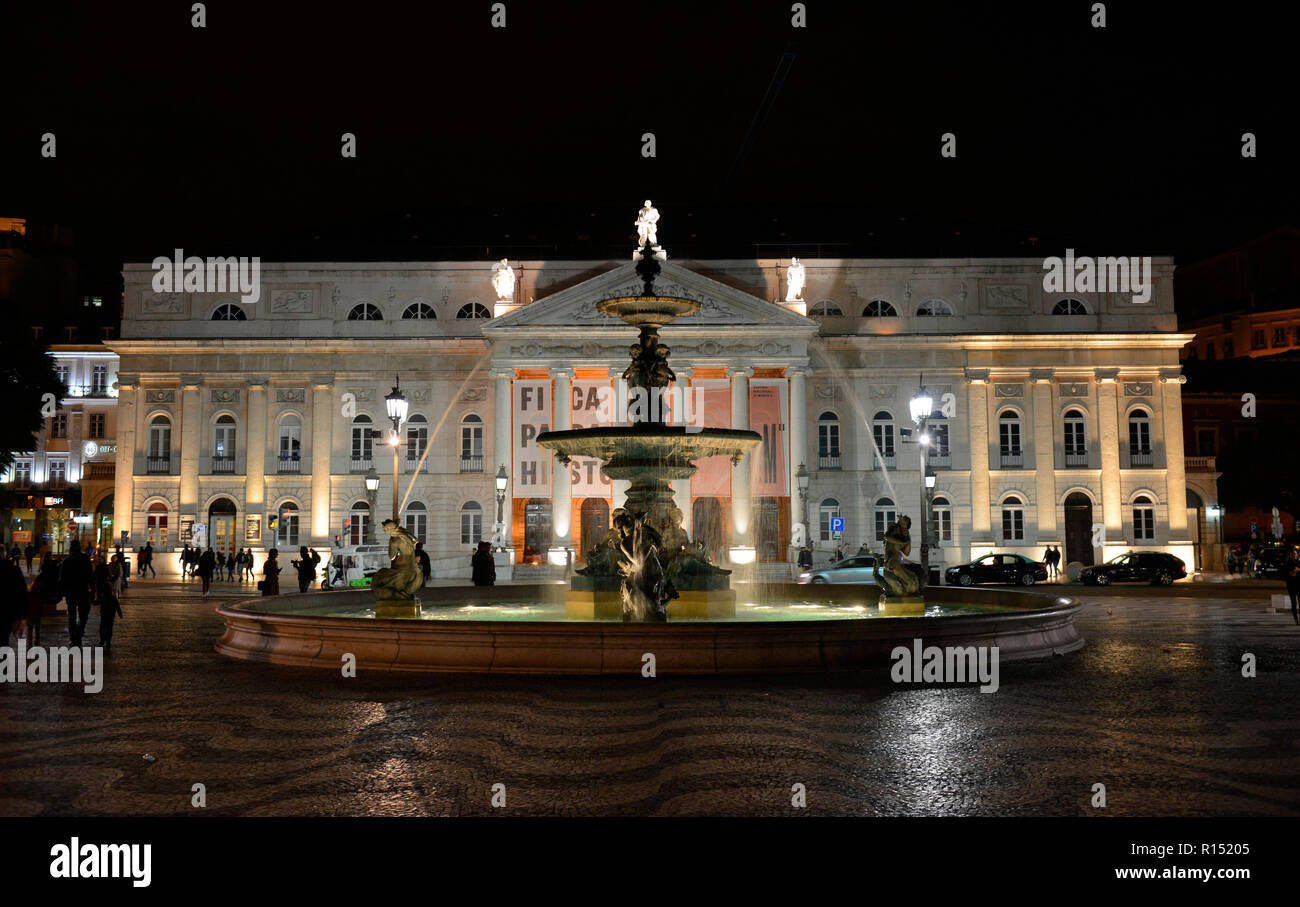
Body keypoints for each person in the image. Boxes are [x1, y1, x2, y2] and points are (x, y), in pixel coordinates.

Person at [59, 539, 95, 645]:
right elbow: (91, 576)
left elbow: (62, 579)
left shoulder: (66, 561)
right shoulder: (85, 559)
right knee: (83, 614)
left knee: (72, 615)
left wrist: (60, 593)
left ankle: (73, 635)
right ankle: (79, 633)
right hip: (83, 591)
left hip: (71, 592)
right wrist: (94, 589)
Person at [95, 555, 123, 652]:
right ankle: (108, 642)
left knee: (103, 627)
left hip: (104, 615)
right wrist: (120, 614)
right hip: (111, 616)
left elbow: (97, 602)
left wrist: (93, 600)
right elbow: (117, 606)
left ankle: (102, 641)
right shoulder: (113, 598)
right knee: (109, 628)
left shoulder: (103, 597)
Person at [3, 553, 28, 643]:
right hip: (7, 613)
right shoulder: (13, 570)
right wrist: (22, 616)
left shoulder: (13, 570)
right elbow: (22, 594)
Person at [1285, 547, 1300, 625]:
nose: (1294, 555)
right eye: (1292, 554)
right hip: (1291, 586)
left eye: (1295, 554)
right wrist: (1293, 572)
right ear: (1290, 555)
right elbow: (1286, 575)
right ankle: (1296, 619)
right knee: (1294, 603)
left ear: (1297, 555)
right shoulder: (1288, 564)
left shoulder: (1299, 563)